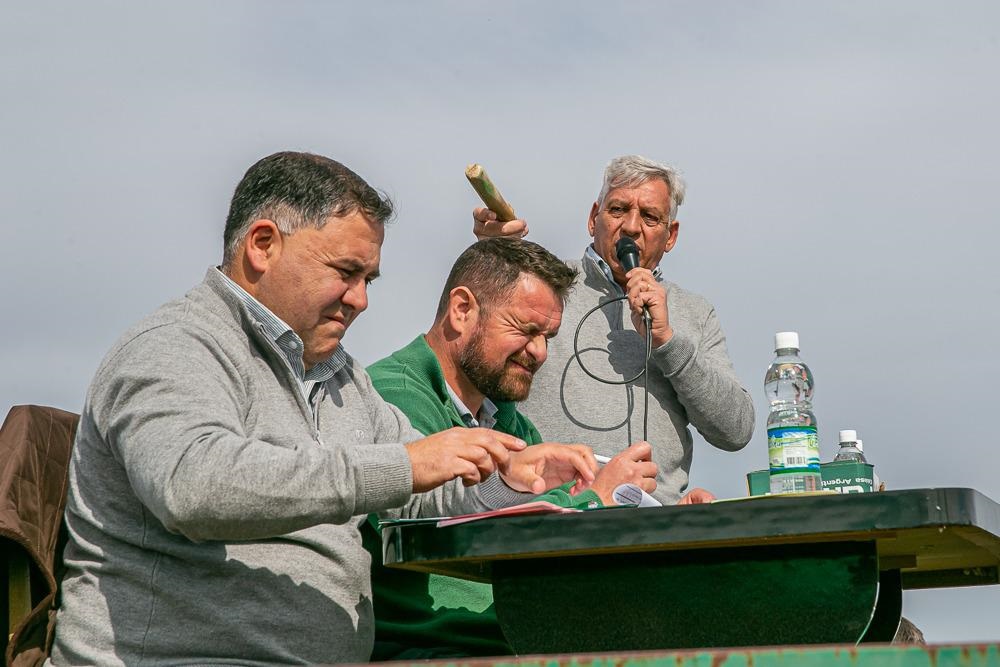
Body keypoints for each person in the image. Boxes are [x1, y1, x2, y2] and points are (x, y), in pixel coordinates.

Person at [50, 152, 594, 666]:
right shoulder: (175, 346)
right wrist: (405, 465)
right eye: (345, 271)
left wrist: (506, 477)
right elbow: (193, 486)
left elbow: (419, 490)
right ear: (263, 245)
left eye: (368, 279)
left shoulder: (342, 377)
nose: (360, 298)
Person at [364, 237, 659, 659]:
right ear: (462, 310)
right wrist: (594, 501)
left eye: (549, 336)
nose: (539, 351)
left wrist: (656, 512)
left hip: (512, 640)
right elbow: (436, 529)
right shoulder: (393, 398)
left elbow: (540, 532)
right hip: (435, 645)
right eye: (525, 329)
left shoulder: (508, 420)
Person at [473, 155, 754, 505]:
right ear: (594, 219)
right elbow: (475, 355)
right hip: (556, 511)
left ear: (671, 236)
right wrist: (490, 256)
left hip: (656, 525)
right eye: (618, 210)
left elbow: (736, 430)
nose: (632, 227)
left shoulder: (695, 312)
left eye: (650, 217)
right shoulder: (543, 287)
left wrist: (667, 341)